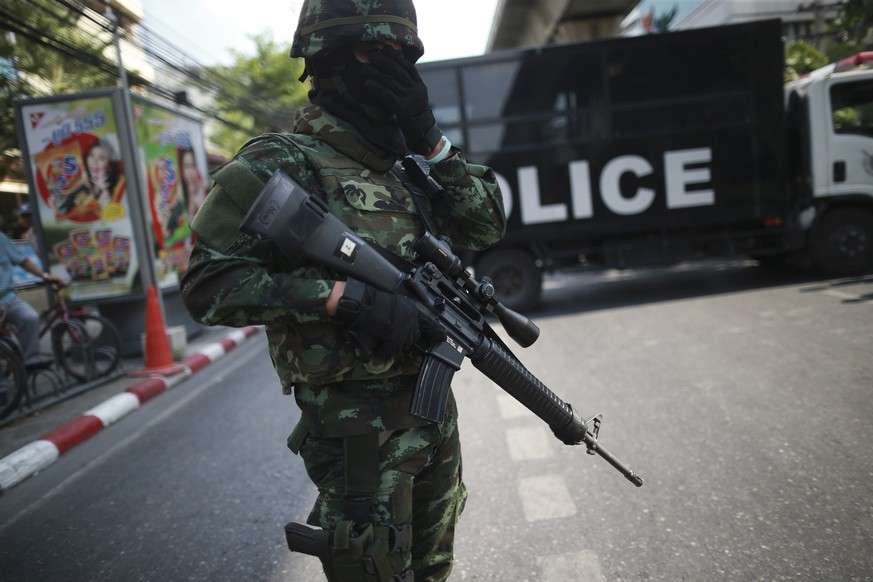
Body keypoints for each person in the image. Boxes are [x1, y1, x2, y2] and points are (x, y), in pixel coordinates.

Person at [180, 1, 506, 580]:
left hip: (431, 424)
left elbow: (486, 223)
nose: (397, 66)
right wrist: (339, 298)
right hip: (358, 442)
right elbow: (209, 285)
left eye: (404, 55)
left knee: (431, 572)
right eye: (378, 51)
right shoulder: (280, 163)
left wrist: (430, 138)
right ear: (329, 59)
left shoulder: (406, 168)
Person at [0, 231, 65, 371]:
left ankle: (30, 361)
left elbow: (22, 260)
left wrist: (44, 276)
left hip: (7, 297)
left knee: (30, 318)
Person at [178, 147, 207, 218]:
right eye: (186, 166)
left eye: (193, 165)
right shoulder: (179, 202)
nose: (190, 173)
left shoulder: (206, 198)